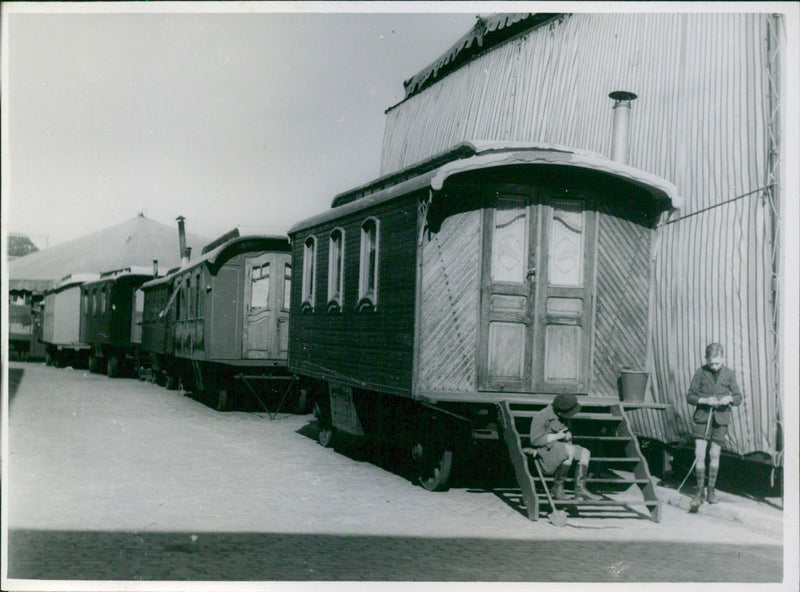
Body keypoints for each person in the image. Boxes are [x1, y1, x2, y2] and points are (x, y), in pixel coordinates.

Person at [685, 342, 743, 504]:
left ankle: (711, 490)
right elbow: (690, 396)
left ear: (723, 359)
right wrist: (704, 400)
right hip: (703, 418)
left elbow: (738, 397)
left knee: (714, 454)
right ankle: (699, 490)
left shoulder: (730, 374)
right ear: (706, 360)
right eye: (711, 363)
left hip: (721, 420)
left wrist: (729, 399)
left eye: (717, 363)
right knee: (699, 454)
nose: (714, 366)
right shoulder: (700, 372)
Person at [528, 393, 600, 500]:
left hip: (561, 449)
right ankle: (557, 488)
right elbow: (535, 441)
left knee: (585, 452)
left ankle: (580, 489)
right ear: (560, 411)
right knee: (570, 450)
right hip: (546, 452)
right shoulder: (541, 416)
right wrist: (556, 436)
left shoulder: (563, 416)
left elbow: (565, 429)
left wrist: (568, 433)